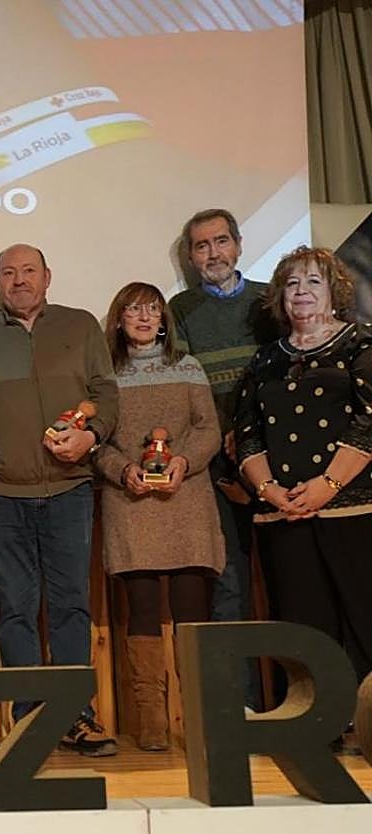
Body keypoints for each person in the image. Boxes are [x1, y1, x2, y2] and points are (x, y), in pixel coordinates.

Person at [0, 243, 119, 757]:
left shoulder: (81, 326)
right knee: (16, 610)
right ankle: (30, 719)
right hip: (4, 497)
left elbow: (107, 395)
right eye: (8, 272)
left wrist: (90, 436)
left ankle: (77, 716)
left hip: (71, 491)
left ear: (48, 276)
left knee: (72, 606)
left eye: (29, 270)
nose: (19, 280)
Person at [235, 246, 372, 698]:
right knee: (301, 625)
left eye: (313, 281)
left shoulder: (360, 344)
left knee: (363, 614)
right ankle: (317, 725)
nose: (302, 291)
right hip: (283, 514)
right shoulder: (264, 360)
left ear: (334, 292)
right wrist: (270, 490)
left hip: (353, 509)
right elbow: (248, 434)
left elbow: (369, 420)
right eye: (292, 283)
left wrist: (328, 485)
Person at [94, 282, 224, 751]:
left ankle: (203, 721)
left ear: (165, 319)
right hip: (130, 505)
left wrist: (184, 462)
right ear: (119, 319)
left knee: (193, 612)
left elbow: (209, 428)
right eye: (133, 310)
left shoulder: (187, 367)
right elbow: (97, 441)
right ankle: (151, 723)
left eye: (153, 309)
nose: (145, 318)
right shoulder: (105, 374)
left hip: (186, 500)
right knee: (142, 613)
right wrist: (122, 470)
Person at [167, 209, 278, 708]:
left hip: (280, 463)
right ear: (190, 257)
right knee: (229, 584)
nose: (212, 254)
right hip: (216, 466)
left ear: (238, 244)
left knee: (288, 585)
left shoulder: (269, 301)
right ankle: (243, 708)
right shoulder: (180, 308)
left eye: (220, 242)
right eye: (201, 246)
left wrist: (255, 441)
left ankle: (307, 705)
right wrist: (225, 441)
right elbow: (184, 392)